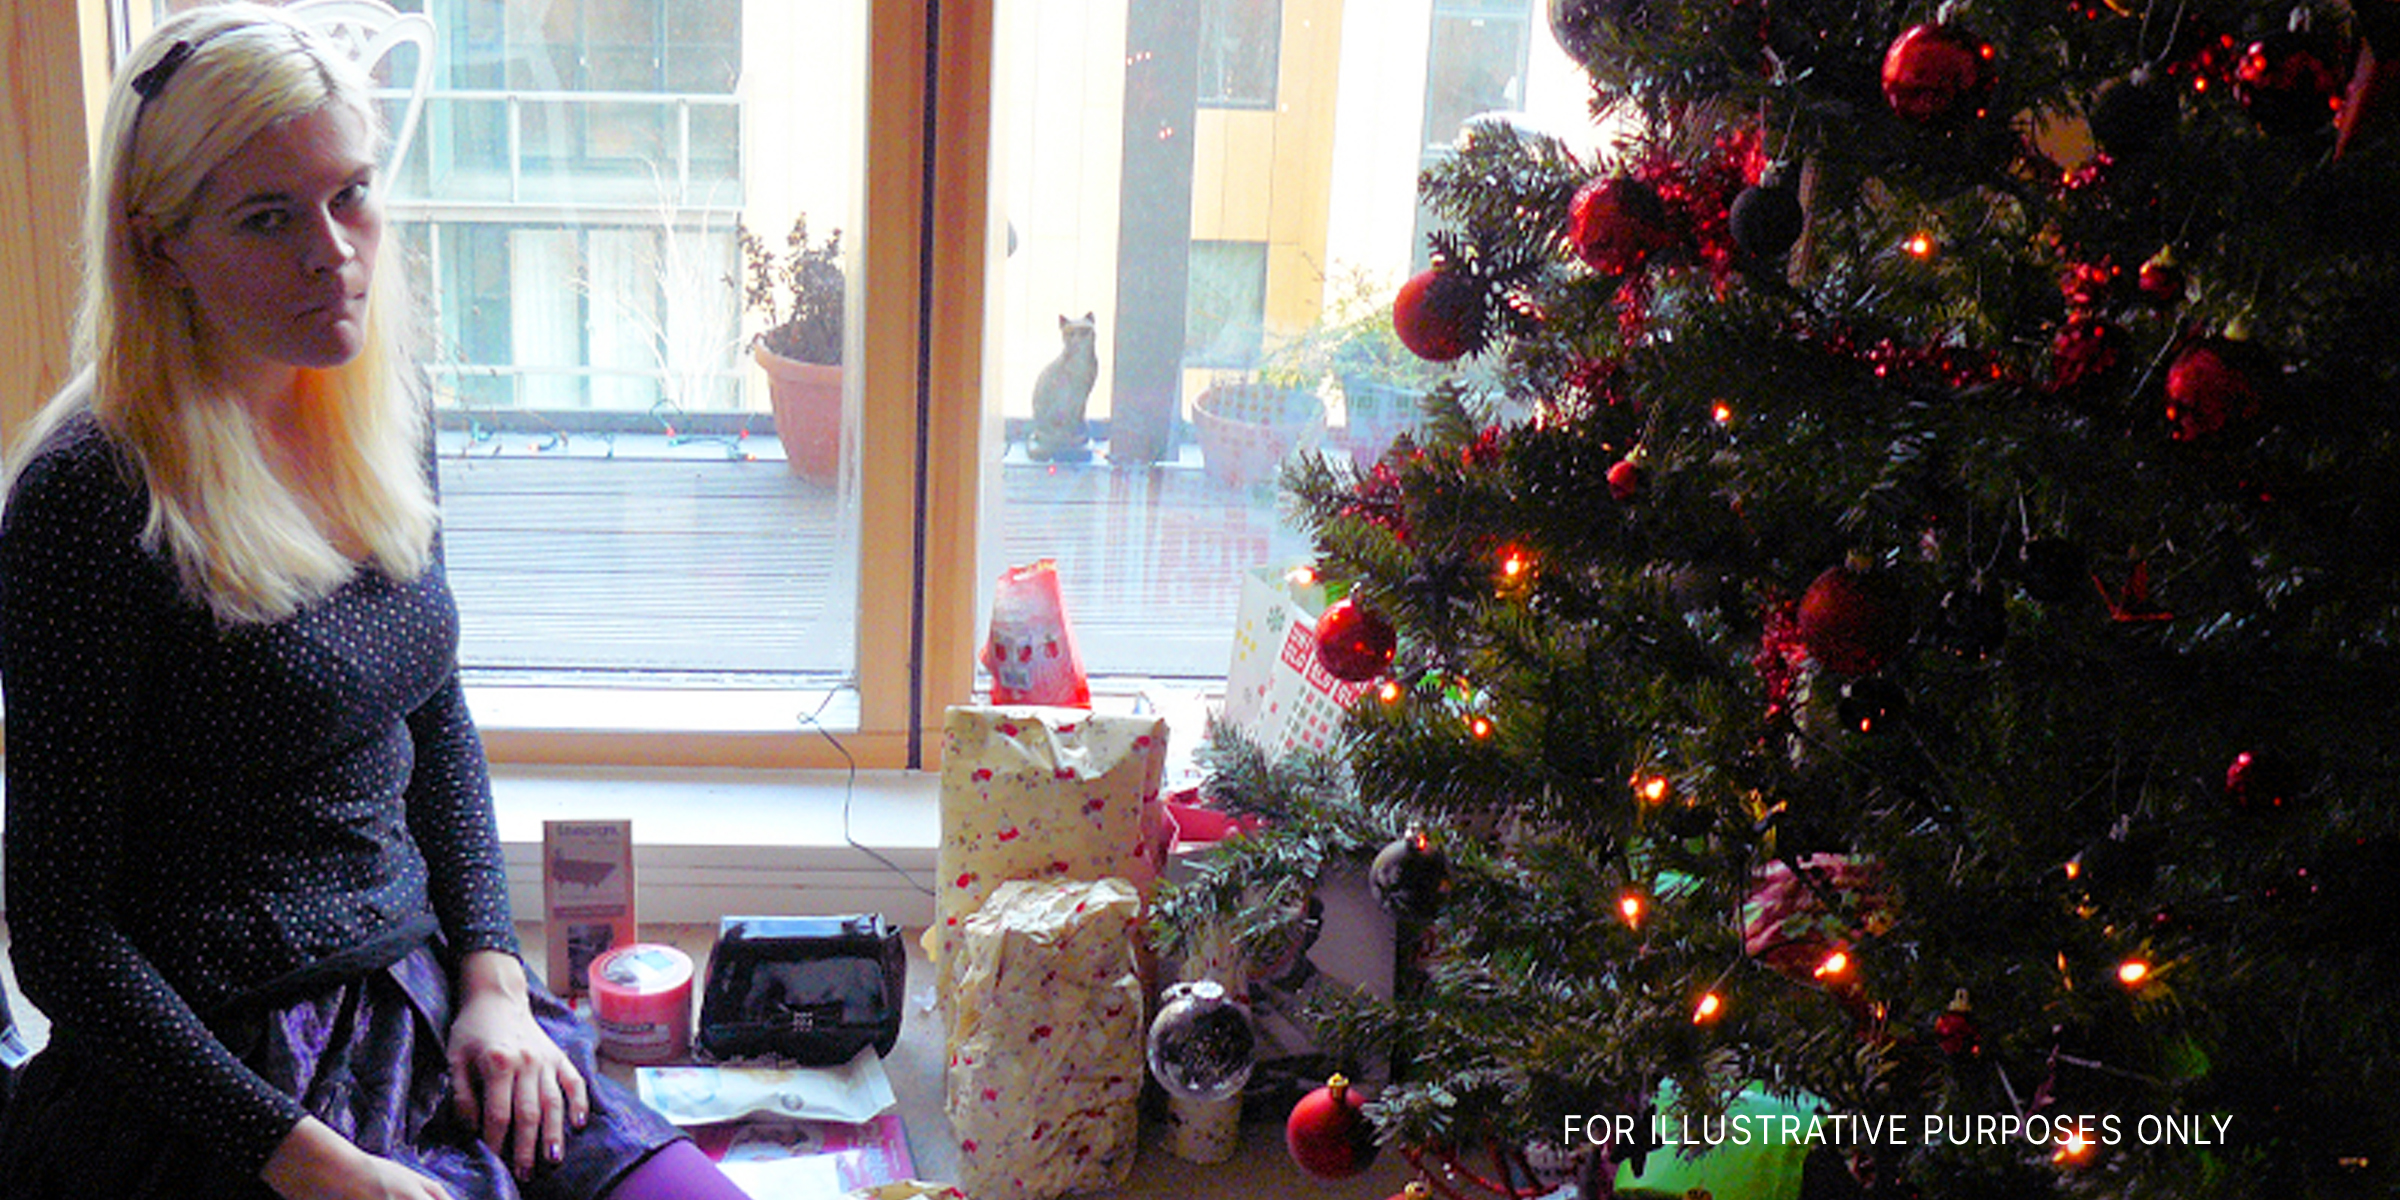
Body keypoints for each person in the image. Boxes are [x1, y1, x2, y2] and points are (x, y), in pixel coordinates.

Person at [0, 8, 747, 1199]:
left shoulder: (374, 408)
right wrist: (313, 1166)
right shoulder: (90, 498)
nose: (332, 251)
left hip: (424, 993)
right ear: (160, 243)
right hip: (217, 1069)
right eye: (266, 216)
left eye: (350, 194)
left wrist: (495, 977)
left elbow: (432, 709)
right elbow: (59, 935)